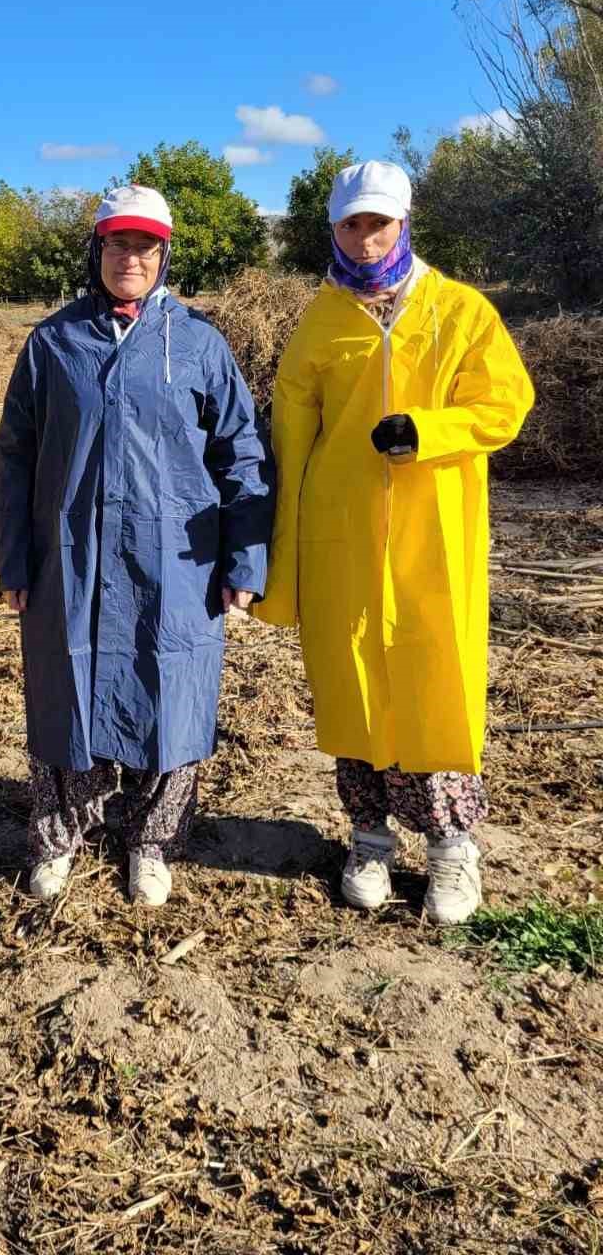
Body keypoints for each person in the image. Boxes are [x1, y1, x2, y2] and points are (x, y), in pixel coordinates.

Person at [254, 161, 534, 924]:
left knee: (435, 683)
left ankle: (451, 850)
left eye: (378, 222)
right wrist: (282, 547)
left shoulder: (461, 311)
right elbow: (290, 433)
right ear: (334, 229)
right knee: (352, 687)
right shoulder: (321, 320)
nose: (366, 237)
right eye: (351, 223)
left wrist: (433, 432)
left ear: (404, 223)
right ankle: (369, 838)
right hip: (340, 534)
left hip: (432, 533)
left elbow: (506, 402)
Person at [0, 184, 273, 907]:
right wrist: (14, 559)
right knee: (64, 694)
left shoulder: (199, 344)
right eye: (118, 243)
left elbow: (240, 456)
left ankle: (151, 842)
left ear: (164, 254)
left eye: (145, 245)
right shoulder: (54, 343)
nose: (130, 258)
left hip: (175, 560)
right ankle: (58, 837)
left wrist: (244, 559)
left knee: (170, 694)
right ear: (97, 250)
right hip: (71, 556)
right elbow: (14, 456)